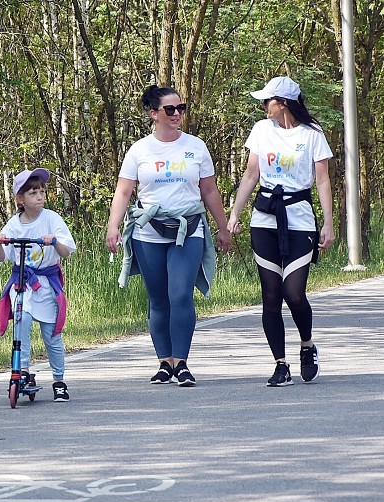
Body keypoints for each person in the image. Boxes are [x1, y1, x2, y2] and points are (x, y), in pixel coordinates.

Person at [106, 85, 231, 387]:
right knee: (158, 299)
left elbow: (209, 190)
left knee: (180, 295)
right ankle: (164, 362)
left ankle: (182, 362)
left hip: (188, 230)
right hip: (149, 233)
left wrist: (223, 227)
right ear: (153, 114)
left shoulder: (196, 147)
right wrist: (114, 226)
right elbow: (124, 190)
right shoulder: (140, 150)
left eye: (181, 108)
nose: (177, 114)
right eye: (170, 110)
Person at [228, 76, 335, 387]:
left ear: (284, 103)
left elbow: (323, 181)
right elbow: (251, 174)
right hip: (265, 219)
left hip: (300, 219)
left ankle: (307, 345)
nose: (264, 106)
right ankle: (280, 364)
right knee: (271, 295)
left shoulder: (312, 134)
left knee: (294, 293)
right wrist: (235, 214)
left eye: (268, 101)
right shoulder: (262, 130)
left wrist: (327, 223)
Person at [0, 167, 77, 402]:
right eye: (33, 193)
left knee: (51, 335)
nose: (39, 196)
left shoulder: (51, 219)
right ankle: (23, 372)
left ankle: (59, 381)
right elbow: (2, 256)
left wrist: (54, 242)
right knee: (22, 321)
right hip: (22, 284)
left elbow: (67, 251)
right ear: (21, 199)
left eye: (41, 192)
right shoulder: (14, 224)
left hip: (46, 284)